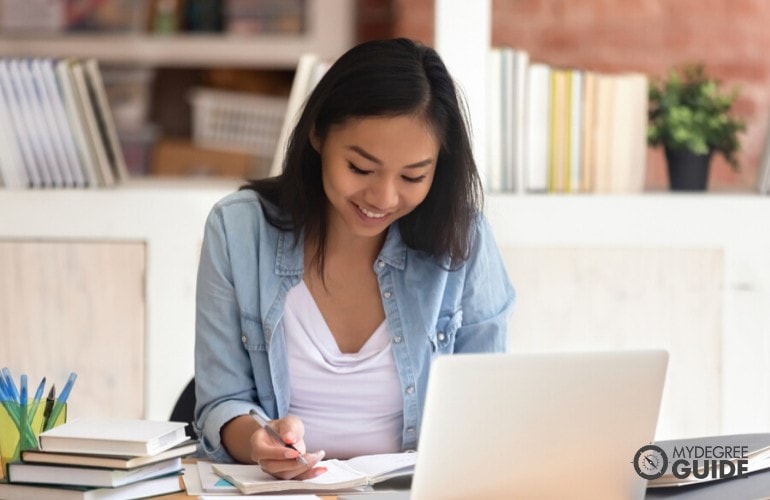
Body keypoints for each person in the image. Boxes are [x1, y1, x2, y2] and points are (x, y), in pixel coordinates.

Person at [193, 38, 515, 480]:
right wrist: (257, 442)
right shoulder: (239, 230)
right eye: (361, 169)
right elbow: (219, 402)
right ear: (318, 134)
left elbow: (488, 402)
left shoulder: (463, 238)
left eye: (413, 176)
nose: (383, 198)